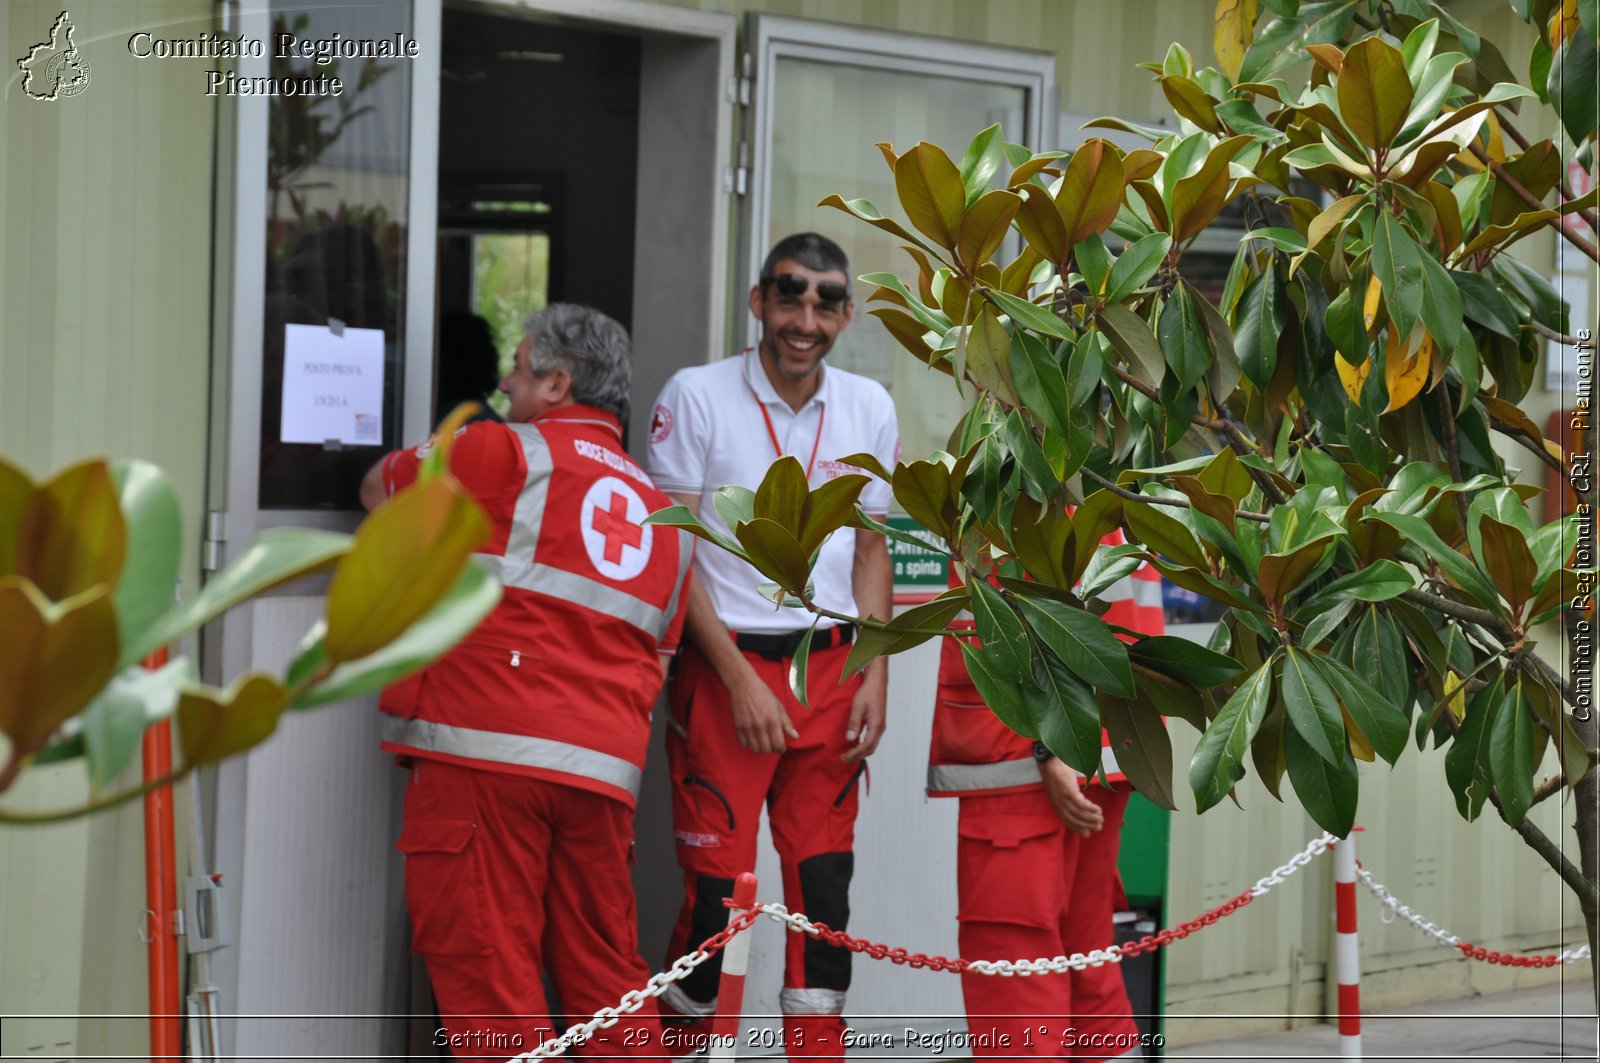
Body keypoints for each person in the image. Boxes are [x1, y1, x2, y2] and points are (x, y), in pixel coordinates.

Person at [361, 303, 693, 1058]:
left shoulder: (500, 453)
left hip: (486, 759)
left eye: (517, 368)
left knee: (492, 983)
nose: (504, 383)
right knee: (608, 980)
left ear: (557, 381)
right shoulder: (669, 520)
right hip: (601, 780)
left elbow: (380, 492)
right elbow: (657, 659)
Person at [645, 233, 898, 1059]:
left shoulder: (870, 406)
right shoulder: (698, 395)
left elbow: (869, 549)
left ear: (847, 315)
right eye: (790, 295)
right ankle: (683, 1050)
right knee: (715, 898)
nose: (806, 318)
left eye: (826, 301)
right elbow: (673, 555)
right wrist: (738, 680)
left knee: (825, 891)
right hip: (726, 673)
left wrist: (875, 671)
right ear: (758, 301)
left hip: (832, 666)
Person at [927, 546, 1164, 1062]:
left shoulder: (1012, 477)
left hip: (1026, 761)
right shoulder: (1109, 478)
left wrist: (1046, 744)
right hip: (1105, 744)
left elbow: (1026, 609)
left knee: (1017, 962)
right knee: (1086, 950)